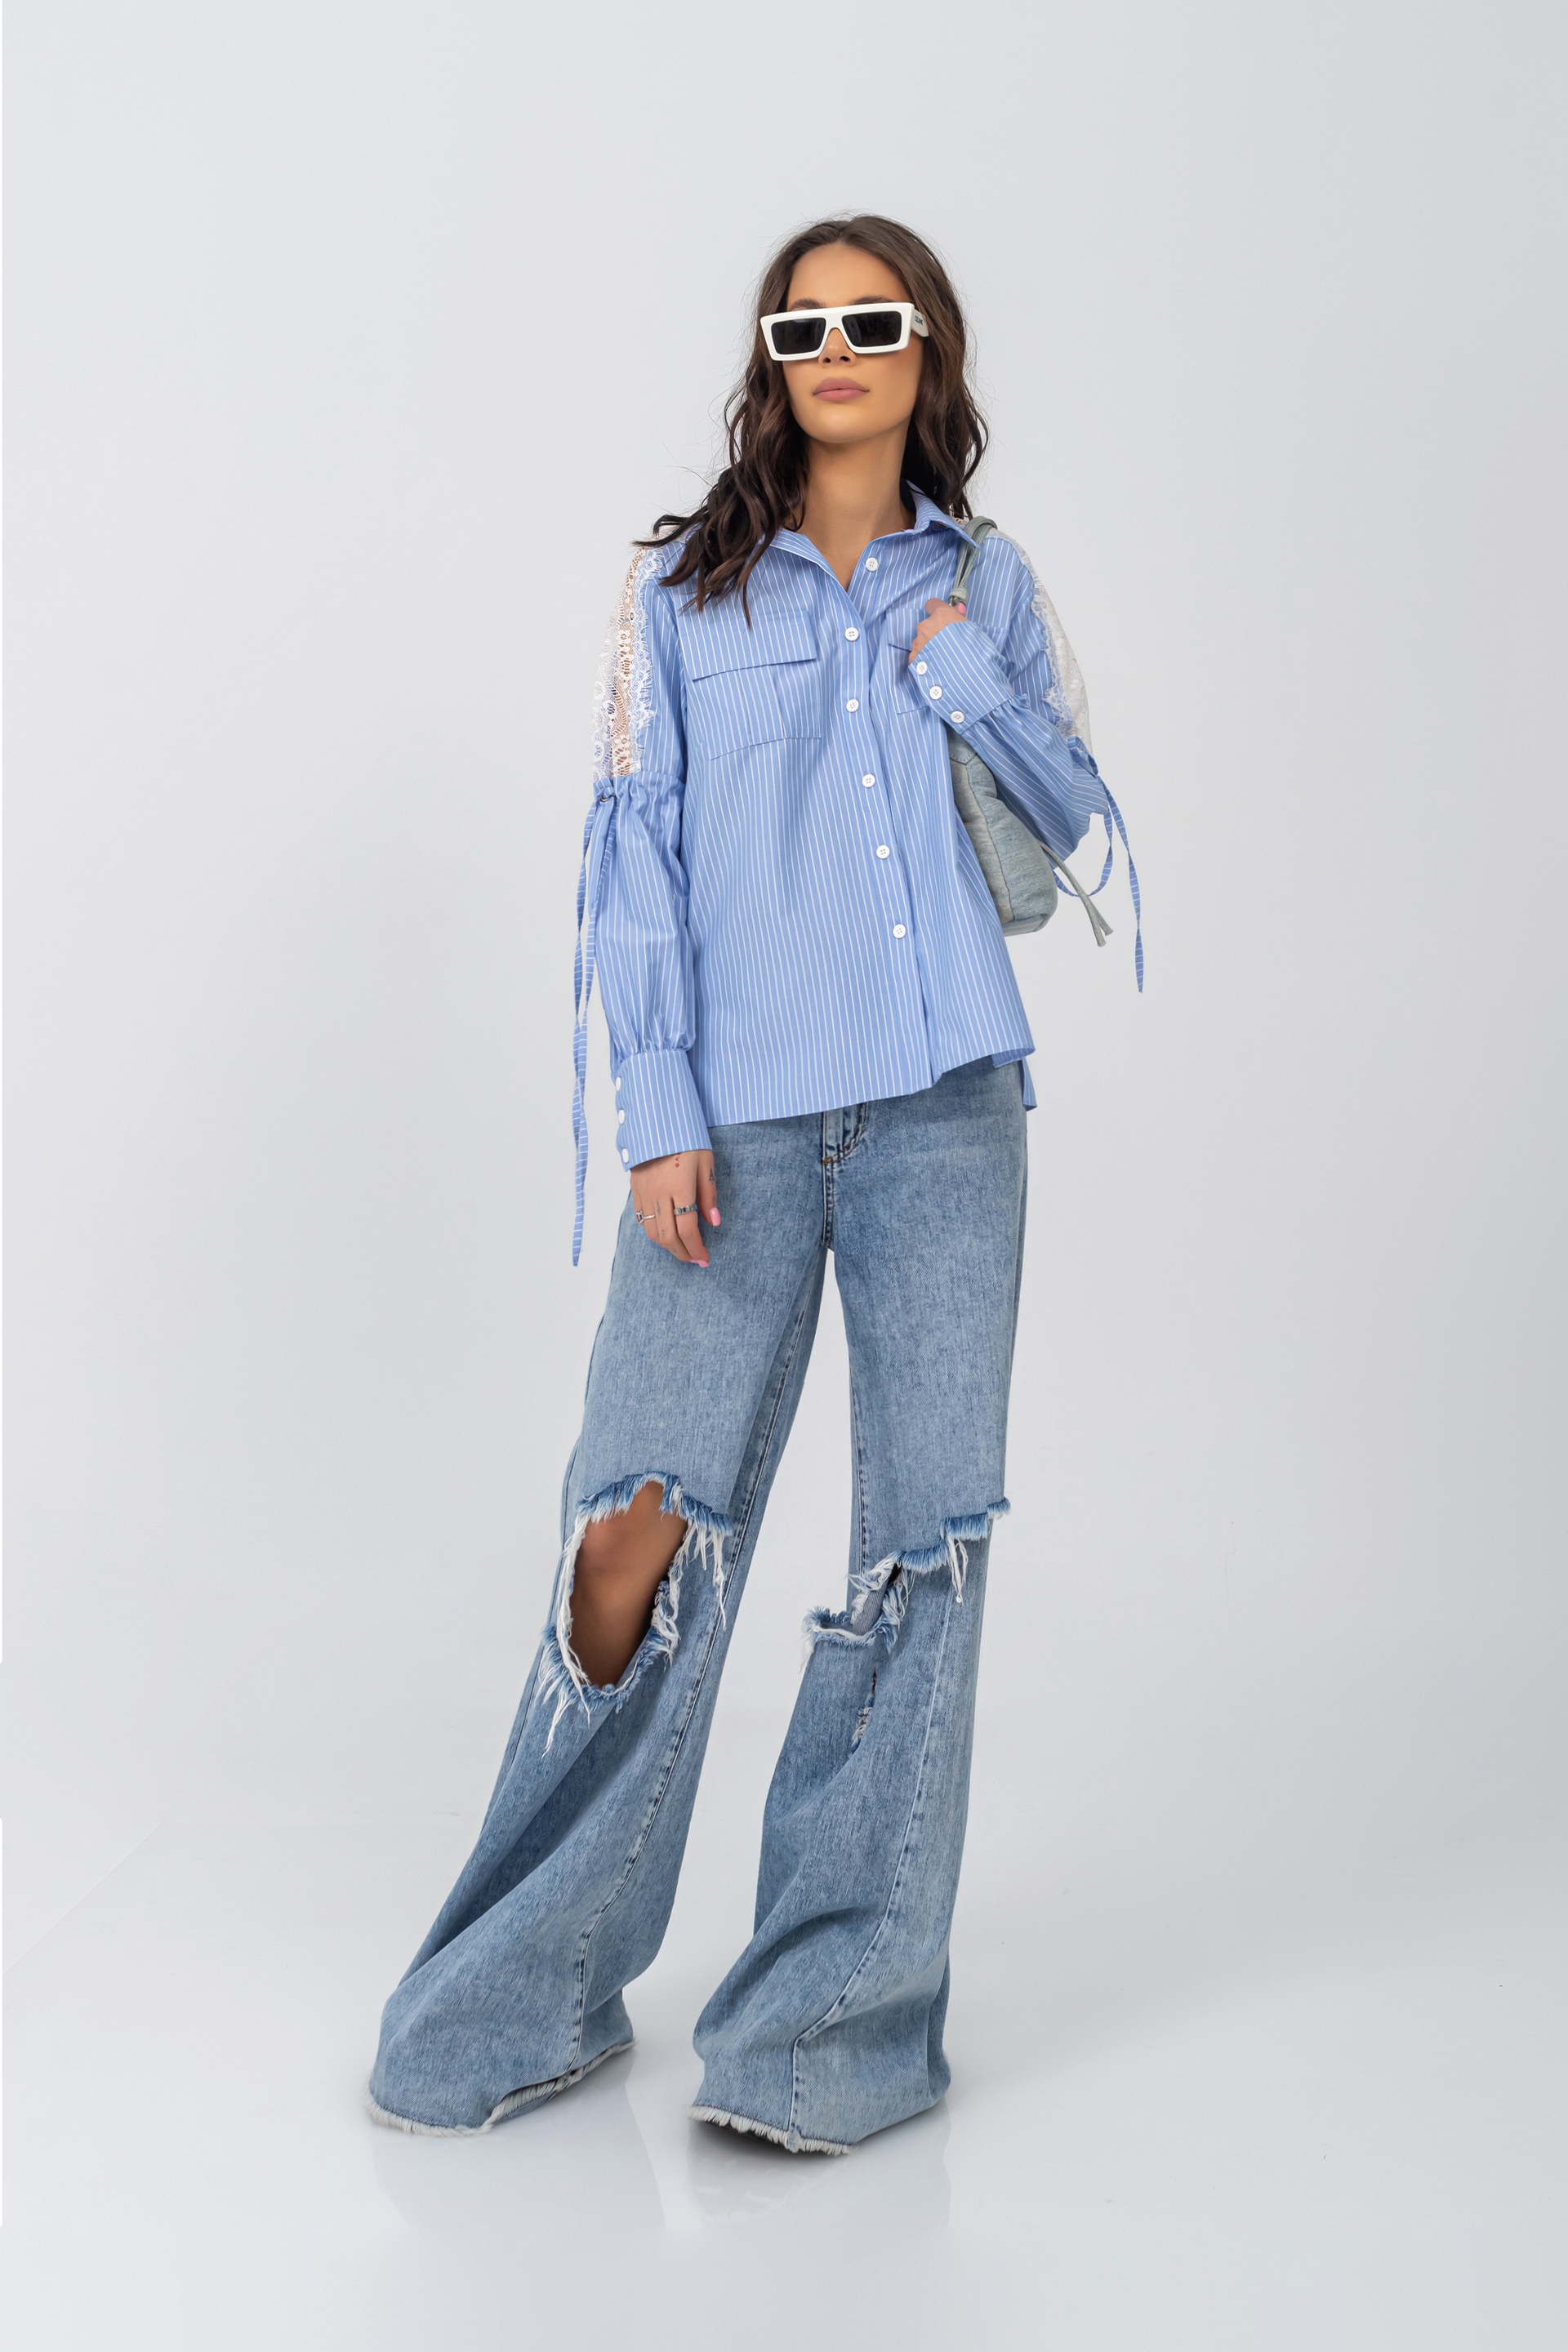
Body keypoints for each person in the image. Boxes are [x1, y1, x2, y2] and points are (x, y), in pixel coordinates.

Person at [368, 213, 1133, 2151]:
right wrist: (659, 1108)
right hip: (737, 1128)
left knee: (918, 1556)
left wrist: (958, 672)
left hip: (952, 1114)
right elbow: (632, 849)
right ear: (771, 362)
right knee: (633, 1530)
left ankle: (828, 2037)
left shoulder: (993, 582)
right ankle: (518, 1994)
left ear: (929, 349)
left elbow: (1076, 825)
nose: (838, 348)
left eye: (873, 320)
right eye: (804, 326)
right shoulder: (677, 587)